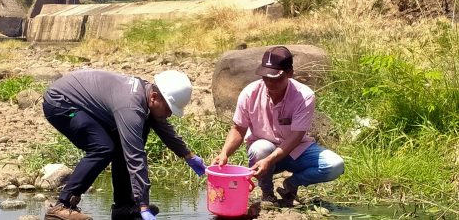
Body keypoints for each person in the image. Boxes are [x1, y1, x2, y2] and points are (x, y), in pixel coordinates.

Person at [42, 69, 207, 220]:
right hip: (62, 103)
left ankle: (124, 207)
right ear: (155, 97)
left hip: (83, 106)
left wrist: (188, 155)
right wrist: (143, 205)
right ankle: (63, 205)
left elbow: (162, 126)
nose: (169, 114)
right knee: (103, 148)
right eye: (169, 108)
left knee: (138, 131)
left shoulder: (146, 95)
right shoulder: (130, 107)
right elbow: (135, 157)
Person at [212, 46, 344, 206]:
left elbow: (296, 136)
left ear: (289, 73)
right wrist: (224, 153)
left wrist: (270, 160)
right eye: (265, 77)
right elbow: (238, 128)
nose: (269, 82)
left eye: (275, 78)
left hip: (297, 151)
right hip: (263, 153)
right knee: (261, 148)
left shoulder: (304, 95)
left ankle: (291, 184)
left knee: (335, 165)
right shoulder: (250, 93)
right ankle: (267, 193)